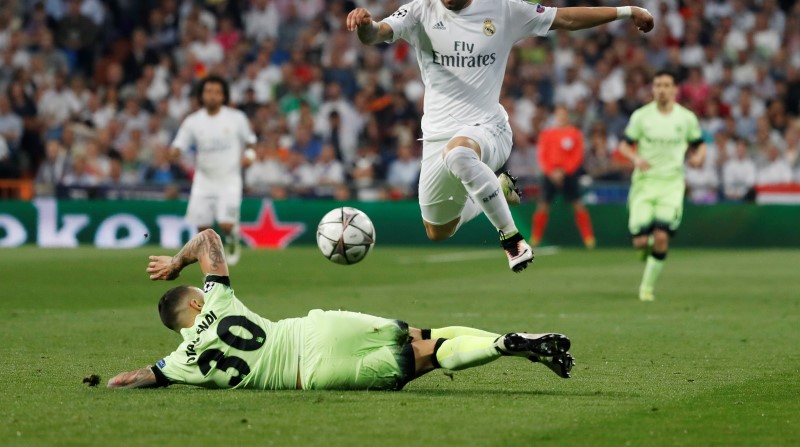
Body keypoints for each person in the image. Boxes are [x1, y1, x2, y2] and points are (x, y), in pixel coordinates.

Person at [346, 0, 653, 273]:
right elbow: (377, 34)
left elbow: (564, 18)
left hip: (488, 129)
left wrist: (627, 11)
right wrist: (365, 25)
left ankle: (512, 240)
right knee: (437, 230)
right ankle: (500, 188)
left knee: (459, 154)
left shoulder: (503, 10)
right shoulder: (421, 10)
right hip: (436, 135)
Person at [107, 229, 575, 390]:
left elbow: (132, 379)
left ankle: (500, 345)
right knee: (422, 332)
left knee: (428, 355)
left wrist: (115, 380)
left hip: (311, 374)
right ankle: (511, 340)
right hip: (316, 329)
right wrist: (175, 261)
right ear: (195, 300)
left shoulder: (181, 363)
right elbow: (209, 238)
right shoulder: (220, 299)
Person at [618, 71, 706, 302]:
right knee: (639, 242)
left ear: (675, 89)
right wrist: (635, 159)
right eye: (658, 85)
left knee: (661, 237)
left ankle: (646, 289)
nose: (662, 89)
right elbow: (625, 145)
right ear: (653, 89)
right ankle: (647, 255)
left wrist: (698, 158)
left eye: (667, 85)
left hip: (672, 184)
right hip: (644, 184)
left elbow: (699, 145)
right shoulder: (641, 116)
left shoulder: (686, 118)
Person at [170, 76, 256, 265]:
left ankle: (232, 238)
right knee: (203, 230)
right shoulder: (193, 121)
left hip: (229, 179)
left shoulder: (236, 118)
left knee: (225, 224)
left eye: (217, 92)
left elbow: (251, 141)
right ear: (201, 95)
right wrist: (174, 152)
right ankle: (213, 264)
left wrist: (250, 155)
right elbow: (178, 145)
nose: (212, 96)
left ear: (223, 96)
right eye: (208, 91)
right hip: (204, 180)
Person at [532, 105, 596, 248]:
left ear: (567, 116)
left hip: (569, 175)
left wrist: (564, 171)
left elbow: (577, 156)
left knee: (578, 205)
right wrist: (551, 172)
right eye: (559, 114)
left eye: (564, 114)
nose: (561, 117)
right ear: (555, 116)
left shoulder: (574, 134)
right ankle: (535, 238)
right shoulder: (547, 134)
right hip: (550, 175)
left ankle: (589, 238)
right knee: (543, 206)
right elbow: (542, 156)